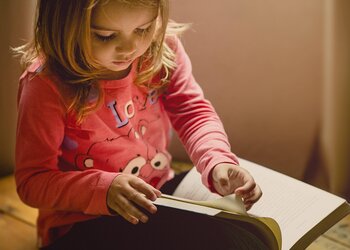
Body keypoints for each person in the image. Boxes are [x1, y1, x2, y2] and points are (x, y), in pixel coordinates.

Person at [14, 0, 263, 249]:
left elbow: (192, 111)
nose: (130, 48)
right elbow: (32, 182)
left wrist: (216, 159)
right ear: (61, 27)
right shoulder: (45, 85)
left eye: (143, 29)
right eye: (105, 36)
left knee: (241, 234)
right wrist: (103, 190)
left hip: (161, 194)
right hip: (83, 221)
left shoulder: (160, 49)